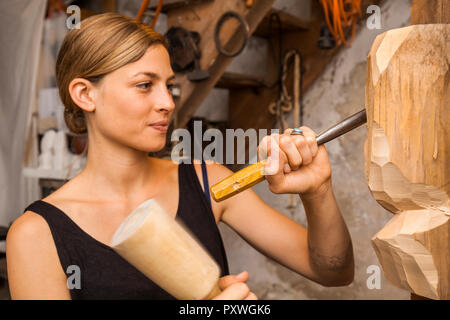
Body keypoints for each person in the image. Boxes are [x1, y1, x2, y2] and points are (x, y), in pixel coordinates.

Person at [6, 13, 354, 300]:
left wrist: (318, 190)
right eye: (145, 85)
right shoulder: (36, 234)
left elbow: (333, 271)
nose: (168, 103)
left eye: (169, 86)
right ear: (84, 94)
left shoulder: (209, 181)